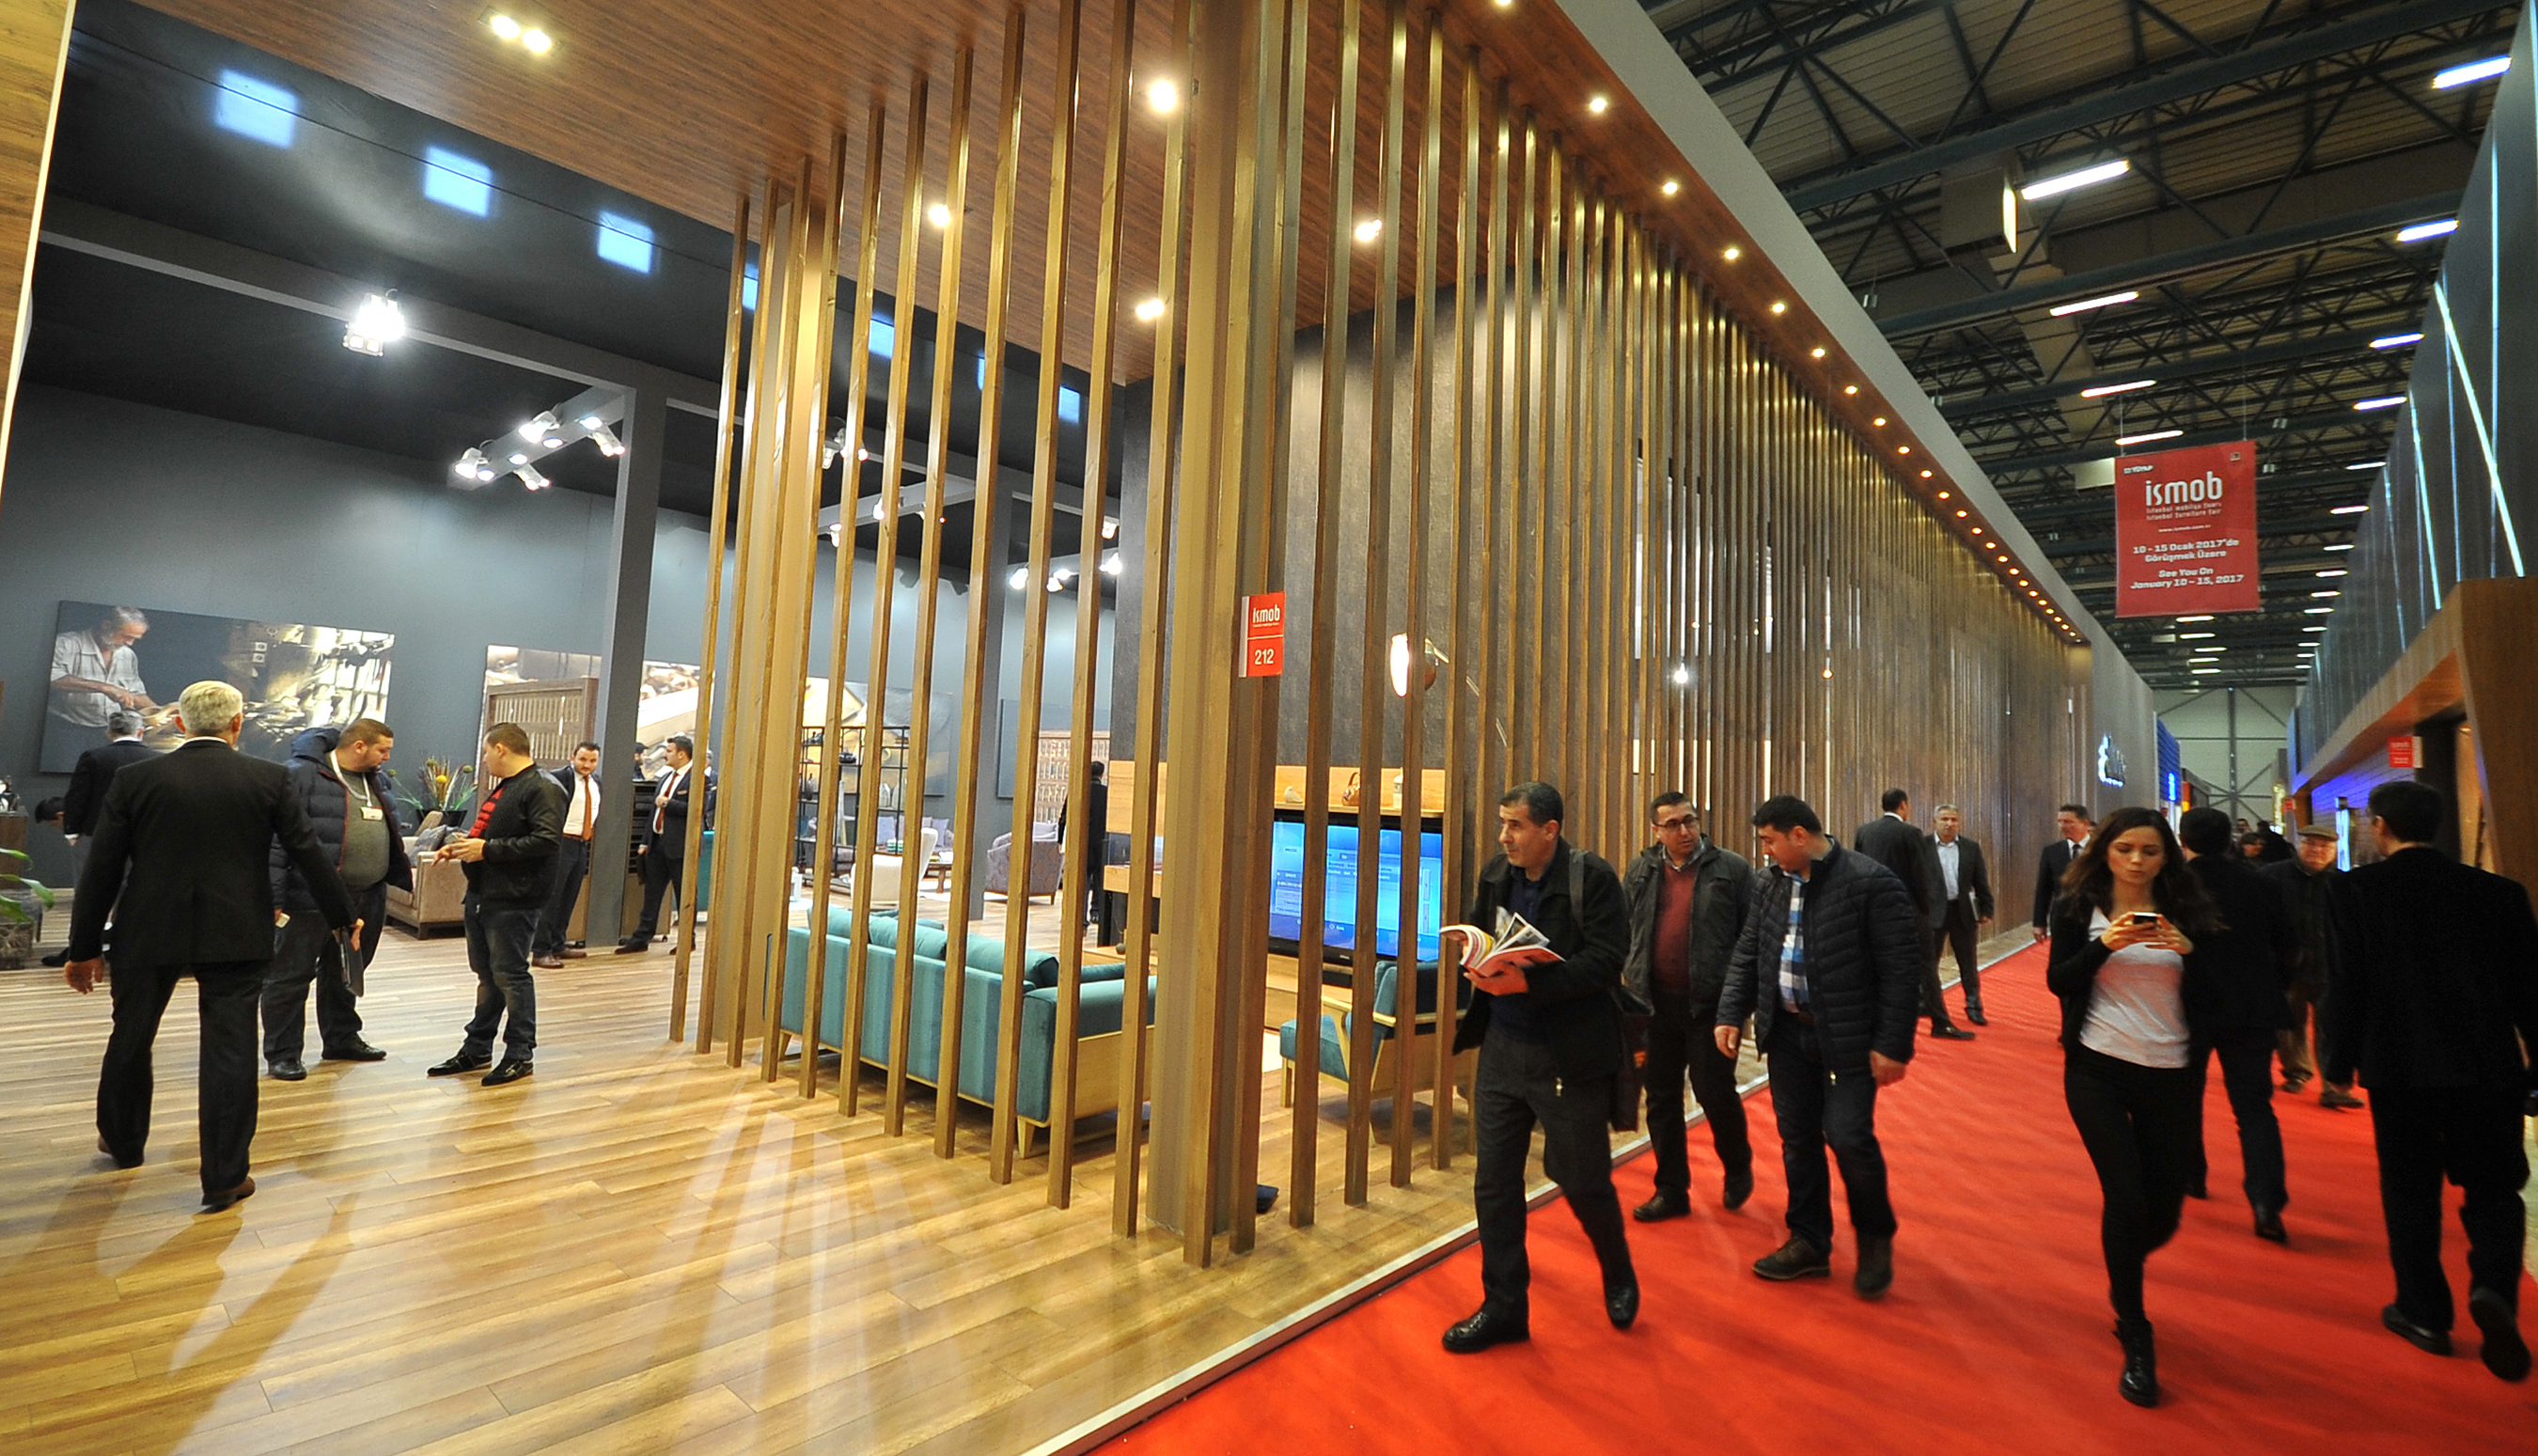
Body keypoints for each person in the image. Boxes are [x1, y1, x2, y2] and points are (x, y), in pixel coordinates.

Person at [61, 680, 356, 1212]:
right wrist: (342, 917)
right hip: (237, 929)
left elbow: (102, 868)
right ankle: (224, 1176)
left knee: (131, 1033)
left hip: (146, 928)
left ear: (180, 723)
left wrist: (82, 947)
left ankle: (123, 1142)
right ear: (238, 723)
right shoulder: (268, 778)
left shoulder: (136, 779)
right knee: (231, 1049)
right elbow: (308, 852)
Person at [2324, 779, 2538, 1384]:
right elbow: (2530, 990)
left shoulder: (2354, 890)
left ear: (2380, 826)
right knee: (2495, 1188)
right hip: (2488, 1068)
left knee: (2410, 1192)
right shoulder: (2500, 893)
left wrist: (2338, 1065)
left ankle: (2424, 1314)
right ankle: (2494, 1289)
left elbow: (2346, 985)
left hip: (2399, 1070)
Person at [1441, 781, 1637, 1354]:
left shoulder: (1590, 877)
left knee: (1581, 1179)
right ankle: (1504, 1307)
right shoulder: (1496, 874)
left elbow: (1607, 961)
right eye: (1502, 824)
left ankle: (1618, 1270)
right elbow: (1481, 933)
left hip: (1567, 1055)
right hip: (1502, 1049)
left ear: (1550, 830)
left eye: (1516, 826)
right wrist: (1476, 961)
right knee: (1494, 1184)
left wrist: (1529, 982)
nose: (1504, 837)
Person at [2045, 806, 2225, 1408]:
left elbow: (2220, 994)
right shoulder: (2078, 907)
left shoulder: (2188, 908)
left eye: (2149, 851)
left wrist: (2190, 951)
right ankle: (2135, 1329)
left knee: (2163, 1212)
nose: (2137, 861)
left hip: (2171, 1072)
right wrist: (2104, 945)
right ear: (2105, 851)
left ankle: (2123, 1259)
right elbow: (2059, 981)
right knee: (2125, 1197)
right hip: (2097, 1067)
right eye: (2125, 849)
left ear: (2166, 855)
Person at [1716, 794, 1920, 1297]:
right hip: (1787, 1034)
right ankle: (1808, 1240)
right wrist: (1730, 1013)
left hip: (1848, 1037)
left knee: (1848, 1136)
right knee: (1798, 1140)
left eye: (1770, 841)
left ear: (1799, 836)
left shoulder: (1870, 883)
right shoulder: (1769, 883)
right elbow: (1749, 952)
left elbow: (1901, 970)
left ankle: (1874, 1237)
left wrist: (1893, 1044)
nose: (1765, 851)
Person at [1621, 793, 1755, 1220]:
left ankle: (1738, 1166)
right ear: (1656, 831)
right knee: (1660, 1098)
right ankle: (1671, 1189)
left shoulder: (1731, 869)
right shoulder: (1641, 870)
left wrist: (1739, 1003)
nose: (1684, 831)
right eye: (1673, 824)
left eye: (1690, 821)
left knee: (1713, 1091)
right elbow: (1628, 928)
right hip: (1653, 1004)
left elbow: (1751, 938)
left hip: (1709, 1006)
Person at [2174, 806, 2296, 1240]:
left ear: (2183, 840)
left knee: (2184, 1096)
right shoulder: (2262, 883)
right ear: (2230, 839)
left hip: (2186, 1007)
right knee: (2254, 1108)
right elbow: (2288, 945)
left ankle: (2192, 1175)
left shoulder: (2172, 886)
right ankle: (2266, 1203)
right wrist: (2273, 986)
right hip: (2251, 1008)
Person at [260, 721, 405, 1080]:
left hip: (366, 896)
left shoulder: (378, 781)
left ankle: (342, 1038)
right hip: (307, 896)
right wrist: (273, 896)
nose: (387, 758)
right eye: (383, 750)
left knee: (347, 971)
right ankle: (283, 1053)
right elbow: (275, 842)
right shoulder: (300, 775)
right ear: (359, 746)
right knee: (290, 976)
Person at [428, 723, 563, 1087]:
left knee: (511, 976)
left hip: (515, 898)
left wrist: (486, 849)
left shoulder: (543, 787)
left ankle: (520, 1054)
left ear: (501, 748)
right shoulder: (508, 786)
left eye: (486, 752)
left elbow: (546, 841)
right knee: (488, 976)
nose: (484, 760)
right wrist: (461, 848)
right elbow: (491, 833)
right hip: (484, 895)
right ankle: (477, 1048)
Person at [1855, 788, 1972, 1041]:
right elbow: (1920, 875)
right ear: (1904, 806)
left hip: (1874, 911)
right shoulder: (1910, 833)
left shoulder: (1864, 832)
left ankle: (1872, 1024)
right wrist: (1926, 909)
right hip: (1908, 911)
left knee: (1874, 967)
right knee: (1927, 967)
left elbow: (1859, 871)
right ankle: (1940, 1023)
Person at [2262, 823, 2362, 1109]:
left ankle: (2334, 1086)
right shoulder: (2272, 876)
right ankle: (2297, 1072)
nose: (2317, 850)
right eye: (2311, 844)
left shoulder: (2344, 884)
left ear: (2335, 851)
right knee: (2290, 1024)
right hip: (2287, 966)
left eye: (2325, 846)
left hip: (2330, 966)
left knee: (2332, 1027)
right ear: (2298, 845)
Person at [620, 734, 701, 953]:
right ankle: (641, 938)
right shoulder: (665, 778)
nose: (665, 754)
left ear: (681, 754)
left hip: (682, 847)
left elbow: (698, 809)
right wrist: (645, 841)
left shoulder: (698, 779)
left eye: (669, 751)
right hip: (657, 845)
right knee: (652, 894)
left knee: (685, 894)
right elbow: (653, 813)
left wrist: (669, 803)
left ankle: (687, 940)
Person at [534, 741, 604, 968]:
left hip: (581, 844)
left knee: (569, 896)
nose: (587, 765)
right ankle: (541, 950)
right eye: (582, 759)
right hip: (560, 842)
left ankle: (558, 944)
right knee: (552, 898)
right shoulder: (558, 777)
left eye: (592, 760)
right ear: (572, 758)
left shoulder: (596, 782)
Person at [62, 711, 155, 879]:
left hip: (95, 831)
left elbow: (77, 796)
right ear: (140, 732)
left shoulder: (93, 757)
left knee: (89, 884)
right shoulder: (156, 758)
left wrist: (72, 831)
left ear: (109, 733)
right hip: (140, 834)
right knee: (132, 885)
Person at [1929, 804, 1996, 1026]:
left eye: (1953, 820)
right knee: (1929, 963)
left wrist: (1986, 908)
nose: (1949, 824)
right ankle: (1930, 1004)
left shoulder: (1970, 848)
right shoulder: (1923, 846)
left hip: (1962, 912)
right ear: (1935, 822)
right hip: (1933, 913)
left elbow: (1981, 880)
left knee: (1968, 964)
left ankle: (1974, 1006)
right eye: (1944, 819)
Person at [48, 606, 157, 735]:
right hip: (66, 726)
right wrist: (105, 688)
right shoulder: (65, 644)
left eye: (134, 639)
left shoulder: (127, 654)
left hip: (110, 729)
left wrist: (161, 712)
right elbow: (51, 679)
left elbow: (136, 693)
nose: (130, 643)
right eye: (126, 636)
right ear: (106, 625)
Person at [1057, 760, 1116, 946]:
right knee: (1099, 881)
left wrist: (1061, 841)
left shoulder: (1077, 792)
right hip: (1101, 844)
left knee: (1081, 883)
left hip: (1080, 845)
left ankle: (1080, 920)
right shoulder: (1108, 793)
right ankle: (1096, 912)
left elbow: (1063, 818)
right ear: (1102, 774)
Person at [2033, 803, 2092, 941]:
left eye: (2068, 822)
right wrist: (2039, 922)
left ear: (2085, 824)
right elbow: (2043, 889)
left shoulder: (2101, 849)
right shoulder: (2051, 851)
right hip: (2062, 918)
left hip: (2094, 917)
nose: (2063, 826)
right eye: (2060, 822)